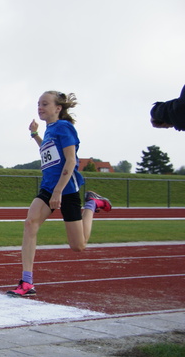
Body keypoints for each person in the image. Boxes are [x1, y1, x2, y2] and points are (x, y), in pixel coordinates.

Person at [7, 91, 112, 297]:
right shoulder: (49, 130)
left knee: (78, 246)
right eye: (38, 104)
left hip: (67, 189)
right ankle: (27, 282)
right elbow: (47, 151)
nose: (40, 107)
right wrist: (34, 135)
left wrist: (58, 191)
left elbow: (71, 161)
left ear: (58, 108)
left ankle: (92, 204)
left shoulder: (64, 127)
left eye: (45, 104)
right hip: (48, 187)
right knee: (30, 223)